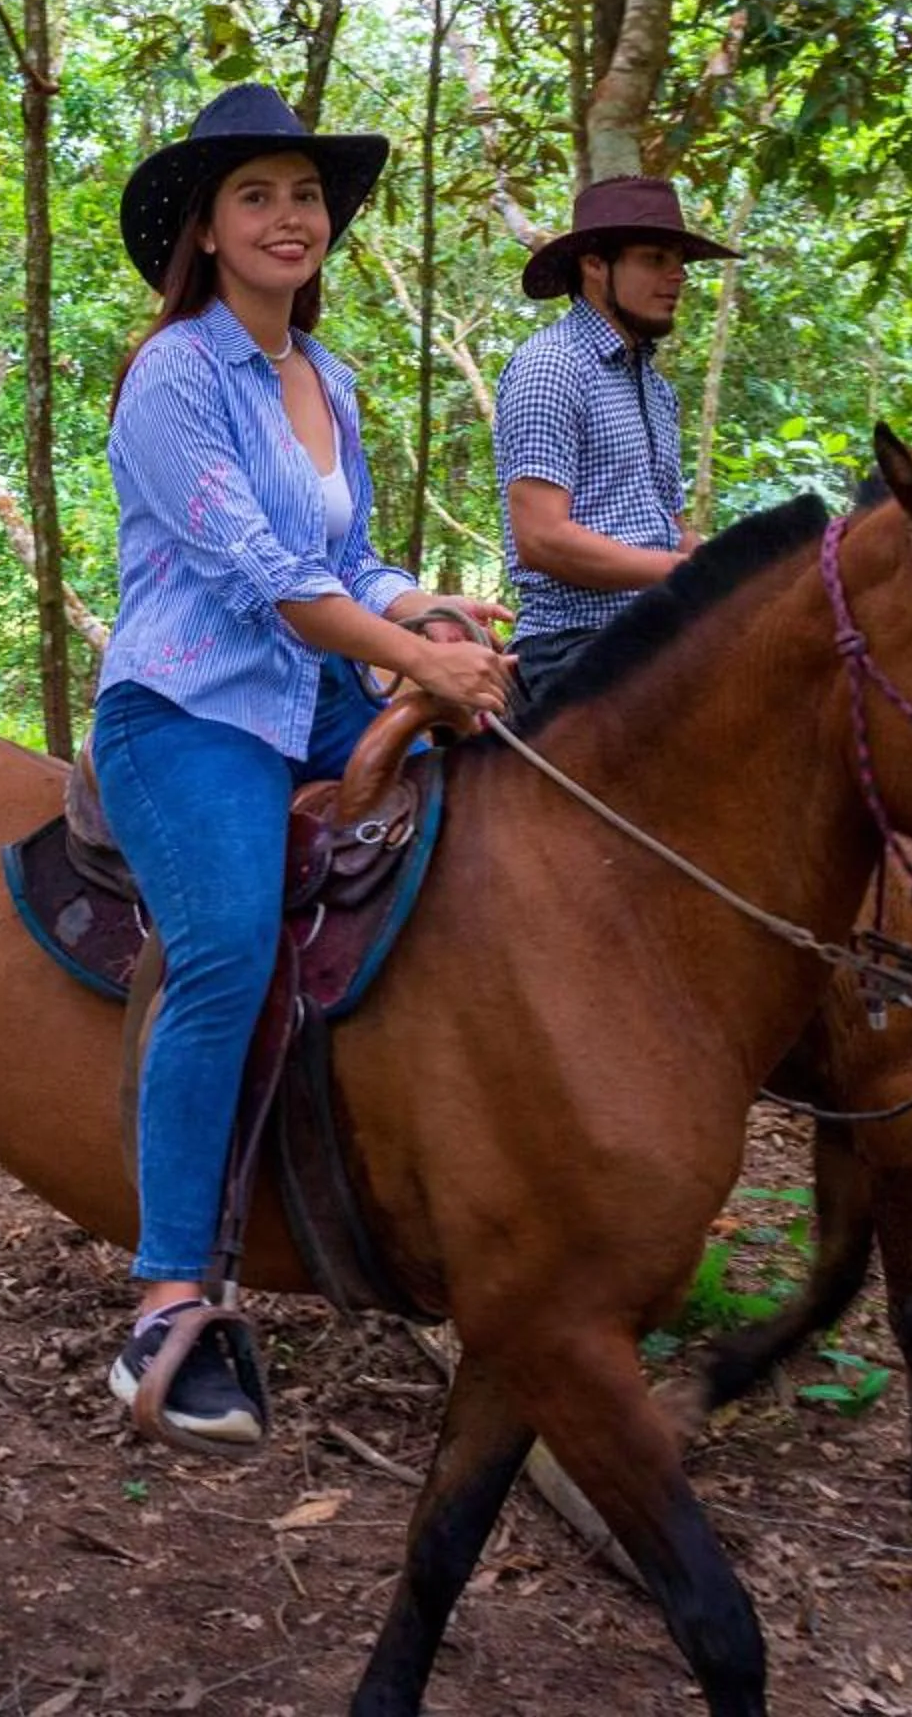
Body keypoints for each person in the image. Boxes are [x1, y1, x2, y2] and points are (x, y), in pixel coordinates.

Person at [92, 83, 516, 1446]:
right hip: (190, 706)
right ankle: (168, 1295)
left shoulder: (324, 378)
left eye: (307, 195)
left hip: (318, 689)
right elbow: (262, 577)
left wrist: (431, 611)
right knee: (225, 946)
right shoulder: (172, 374)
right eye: (258, 195)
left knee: (500, 820)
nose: (291, 217)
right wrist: (411, 653)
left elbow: (346, 566)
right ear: (207, 233)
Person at [492, 175, 739, 695]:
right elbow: (540, 538)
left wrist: (730, 565)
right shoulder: (551, 366)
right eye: (654, 259)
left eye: (680, 264)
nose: (677, 277)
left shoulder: (654, 387)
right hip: (573, 642)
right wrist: (678, 570)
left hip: (655, 628)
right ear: (594, 265)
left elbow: (668, 525)